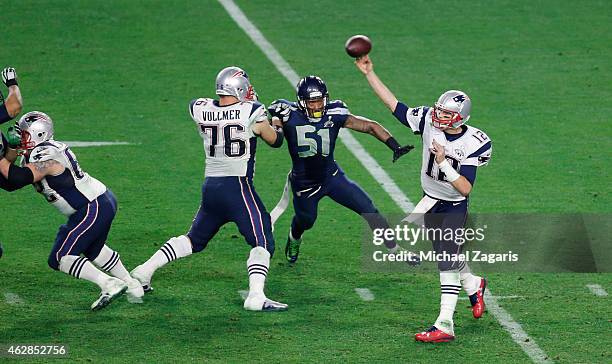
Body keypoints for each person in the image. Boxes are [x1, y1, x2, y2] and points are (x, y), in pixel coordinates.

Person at [355, 55, 492, 342]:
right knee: (449, 254)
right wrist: (370, 74)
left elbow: (465, 188)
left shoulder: (474, 142)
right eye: (438, 111)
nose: (438, 116)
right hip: (430, 200)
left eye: (445, 114)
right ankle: (474, 283)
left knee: (445, 258)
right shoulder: (429, 120)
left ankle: (445, 324)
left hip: (454, 204)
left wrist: (443, 163)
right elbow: (394, 106)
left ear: (461, 118)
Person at [131, 66, 288, 312]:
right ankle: (256, 296)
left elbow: (214, 108)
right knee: (263, 240)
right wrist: (277, 121)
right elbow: (275, 140)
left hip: (211, 186)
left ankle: (143, 271)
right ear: (239, 88)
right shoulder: (253, 111)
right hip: (237, 187)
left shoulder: (200, 108)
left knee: (194, 239)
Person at [0, 111, 144, 310]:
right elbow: (10, 184)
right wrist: (9, 153)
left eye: (24, 135)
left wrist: (2, 157)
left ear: (38, 134)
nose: (20, 139)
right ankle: (133, 284)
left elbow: (17, 178)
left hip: (92, 207)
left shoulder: (46, 154)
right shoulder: (38, 153)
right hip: (96, 203)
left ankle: (109, 283)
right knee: (93, 248)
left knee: (59, 257)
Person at [268, 75, 414, 263]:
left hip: (332, 177)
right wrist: (277, 125)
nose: (317, 106)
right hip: (304, 183)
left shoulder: (334, 112)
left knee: (368, 208)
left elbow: (369, 126)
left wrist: (395, 146)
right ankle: (294, 237)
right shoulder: (286, 112)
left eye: (320, 101)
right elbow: (275, 136)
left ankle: (394, 249)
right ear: (301, 102)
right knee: (306, 221)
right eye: (311, 102)